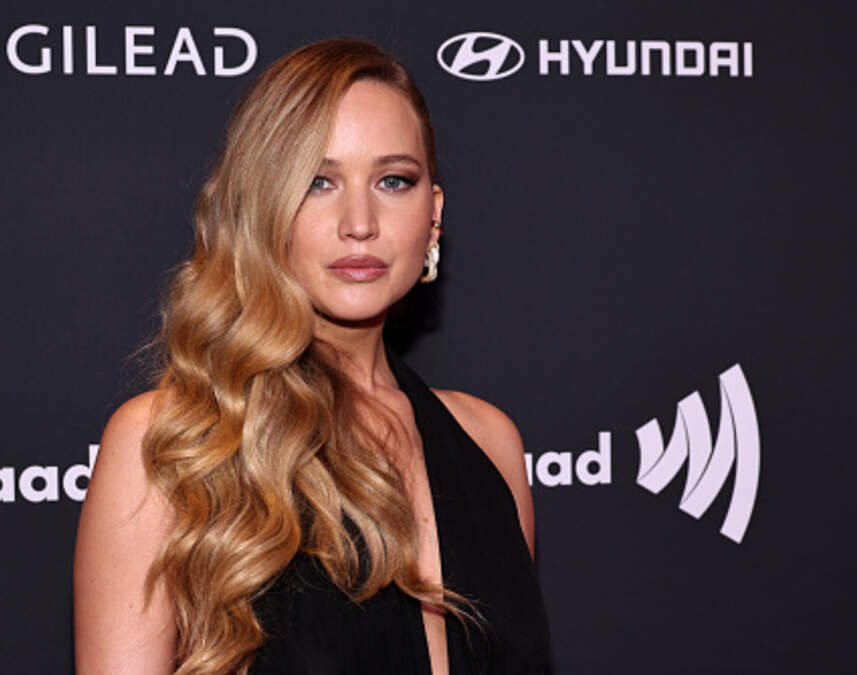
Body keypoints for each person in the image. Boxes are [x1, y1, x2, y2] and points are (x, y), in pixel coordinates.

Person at [74, 38, 551, 675]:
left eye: (393, 181)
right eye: (318, 182)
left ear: (433, 214)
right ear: (263, 206)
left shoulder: (490, 444)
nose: (360, 221)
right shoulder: (171, 443)